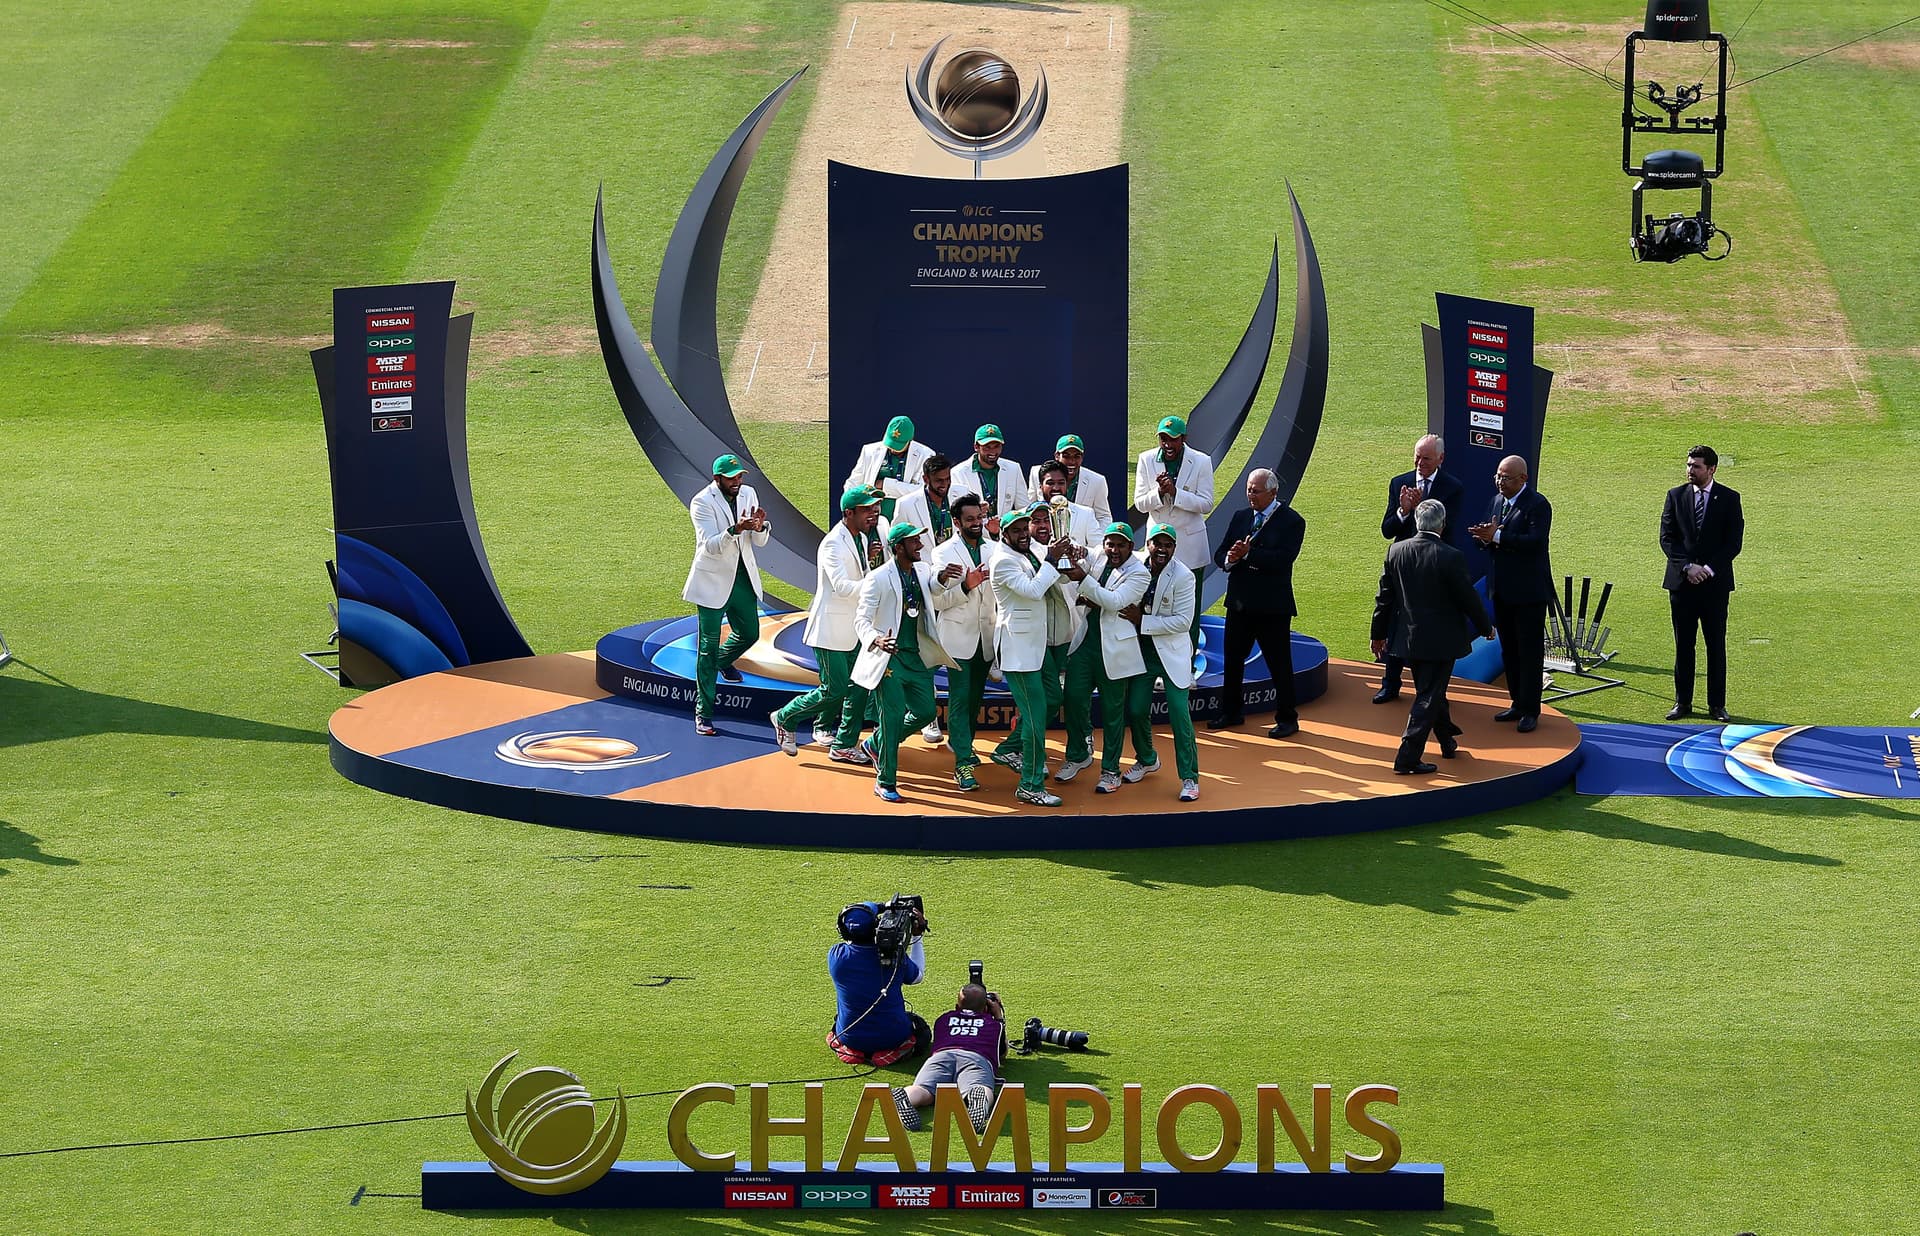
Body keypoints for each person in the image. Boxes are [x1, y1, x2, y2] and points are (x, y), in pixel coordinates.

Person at [1372, 499, 1494, 774]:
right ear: (1442, 524)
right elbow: (1468, 599)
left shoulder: (1395, 551)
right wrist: (1486, 627)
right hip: (1442, 640)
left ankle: (1447, 739)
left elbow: (1384, 599)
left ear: (1417, 522)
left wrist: (1377, 635)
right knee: (1428, 695)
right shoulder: (1450, 555)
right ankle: (1407, 757)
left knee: (1430, 689)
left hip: (1410, 639)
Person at [771, 486, 884, 763]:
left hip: (856, 628)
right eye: (867, 509)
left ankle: (845, 743)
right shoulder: (833, 544)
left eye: (874, 508)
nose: (874, 514)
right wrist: (880, 581)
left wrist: (869, 564)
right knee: (834, 690)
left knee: (860, 686)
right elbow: (843, 588)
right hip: (831, 630)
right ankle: (785, 717)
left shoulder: (859, 538)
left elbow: (858, 576)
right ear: (849, 513)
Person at [853, 524, 964, 803]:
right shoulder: (878, 579)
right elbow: (861, 620)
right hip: (889, 659)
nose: (920, 546)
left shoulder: (924, 569)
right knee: (890, 719)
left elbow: (933, 590)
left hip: (917, 658)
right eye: (914, 542)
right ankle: (885, 781)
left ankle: (875, 745)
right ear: (898, 547)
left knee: (926, 712)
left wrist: (941, 578)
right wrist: (876, 639)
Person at [987, 506, 1078, 806]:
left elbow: (1057, 581)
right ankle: (1030, 784)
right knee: (1036, 718)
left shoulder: (1028, 553)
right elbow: (1035, 589)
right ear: (1004, 534)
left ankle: (1009, 750)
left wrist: (1064, 560)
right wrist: (1051, 560)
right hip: (1019, 651)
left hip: (1037, 648)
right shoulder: (1002, 561)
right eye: (1017, 530)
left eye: (1025, 528)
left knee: (1052, 699)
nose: (1024, 534)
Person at [1210, 468, 1305, 738]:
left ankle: (1288, 718)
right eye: (1249, 489)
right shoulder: (1241, 517)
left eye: (1256, 490)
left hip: (1272, 607)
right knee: (1233, 660)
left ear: (1273, 492)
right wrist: (1230, 557)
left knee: (1279, 664)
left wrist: (1249, 554)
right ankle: (1231, 712)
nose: (1251, 494)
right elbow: (1221, 552)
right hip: (1240, 603)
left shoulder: (1292, 521)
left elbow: (1282, 560)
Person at [1375, 433, 1467, 703]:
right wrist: (1404, 511)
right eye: (1417, 456)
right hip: (1401, 567)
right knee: (1394, 620)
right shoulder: (1399, 483)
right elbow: (1387, 530)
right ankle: (1390, 684)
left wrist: (1419, 512)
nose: (1420, 462)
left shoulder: (1452, 488)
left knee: (1426, 626)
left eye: (1426, 458)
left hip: (1432, 569)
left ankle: (1430, 691)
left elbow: (1446, 530)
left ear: (1440, 458)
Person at [1063, 524, 1154, 795]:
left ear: (1130, 546)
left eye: (1120, 545)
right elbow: (1084, 556)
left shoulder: (1140, 573)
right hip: (1086, 644)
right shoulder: (1099, 556)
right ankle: (1079, 754)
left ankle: (1110, 771)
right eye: (1110, 544)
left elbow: (1115, 602)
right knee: (1073, 698)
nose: (1114, 550)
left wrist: (1085, 583)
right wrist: (1074, 551)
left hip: (1115, 650)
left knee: (1113, 714)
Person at [682, 453, 769, 735]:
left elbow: (759, 541)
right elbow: (710, 546)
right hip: (712, 580)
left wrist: (760, 526)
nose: (738, 482)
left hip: (742, 577)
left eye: (740, 476)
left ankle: (720, 663)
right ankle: (703, 713)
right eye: (732, 478)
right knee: (707, 647)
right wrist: (735, 529)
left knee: (750, 633)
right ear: (717, 478)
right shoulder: (702, 502)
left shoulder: (749, 493)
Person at [1469, 455, 1553, 733]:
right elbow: (1491, 538)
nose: (1499, 482)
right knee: (1510, 651)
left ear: (1523, 479)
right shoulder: (1496, 501)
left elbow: (1534, 543)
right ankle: (1517, 702)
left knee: (1529, 652)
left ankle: (1531, 709)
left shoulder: (1537, 505)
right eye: (1498, 476)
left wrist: (1496, 537)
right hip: (1502, 591)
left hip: (1528, 593)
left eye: (1506, 477)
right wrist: (1484, 538)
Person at [1660, 444, 1744, 722]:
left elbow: (1733, 543)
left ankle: (1716, 705)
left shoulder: (1730, 499)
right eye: (1688, 465)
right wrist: (1687, 567)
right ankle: (1682, 702)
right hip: (1682, 585)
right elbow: (1667, 538)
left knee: (1715, 645)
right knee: (1684, 645)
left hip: (1714, 586)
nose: (1690, 471)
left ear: (1711, 469)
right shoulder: (1675, 496)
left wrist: (1706, 569)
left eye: (1696, 466)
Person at [1123, 525, 1202, 801]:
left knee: (1179, 714)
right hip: (1142, 653)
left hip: (1171, 654)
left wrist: (1142, 621)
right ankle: (1146, 759)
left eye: (1168, 545)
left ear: (1175, 548)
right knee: (1135, 709)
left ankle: (1190, 778)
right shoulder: (1133, 565)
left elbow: (1183, 622)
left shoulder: (1184, 577)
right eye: (1158, 543)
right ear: (1148, 544)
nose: (1162, 550)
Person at [1132, 415, 1215, 660]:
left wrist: (1176, 493)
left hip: (1189, 546)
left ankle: (1186, 664)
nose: (1167, 444)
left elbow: (1206, 503)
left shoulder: (1200, 461)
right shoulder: (1147, 459)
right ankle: (1151, 662)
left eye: (1173, 440)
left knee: (1187, 609)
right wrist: (1159, 493)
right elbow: (1139, 503)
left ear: (1184, 439)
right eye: (1163, 439)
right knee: (1151, 604)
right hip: (1155, 546)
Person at [931, 495, 999, 790]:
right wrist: (966, 586)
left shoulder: (996, 549)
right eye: (969, 520)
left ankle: (966, 747)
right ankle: (962, 764)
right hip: (958, 637)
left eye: (978, 518)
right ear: (956, 522)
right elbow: (938, 600)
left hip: (986, 638)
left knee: (974, 700)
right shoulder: (942, 553)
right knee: (959, 701)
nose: (976, 524)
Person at [892, 454, 959, 746]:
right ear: (925, 479)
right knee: (925, 647)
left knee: (956, 640)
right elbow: (895, 544)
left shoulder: (959, 497)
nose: (944, 485)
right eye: (939, 481)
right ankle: (929, 716)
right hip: (921, 583)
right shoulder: (907, 505)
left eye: (947, 479)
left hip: (954, 580)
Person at [891, 984, 1008, 1134]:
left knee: (924, 1089)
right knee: (978, 1086)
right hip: (975, 1057)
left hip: (941, 1056)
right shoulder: (993, 1025)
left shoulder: (943, 1019)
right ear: (986, 1007)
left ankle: (907, 1097)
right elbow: (1002, 1053)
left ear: (957, 1006)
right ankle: (978, 1099)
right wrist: (998, 1017)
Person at [827, 900, 928, 1065]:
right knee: (921, 1030)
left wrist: (880, 908)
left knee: (839, 1018)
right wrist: (917, 935)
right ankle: (887, 1054)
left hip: (850, 1036)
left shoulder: (836, 956)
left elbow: (855, 935)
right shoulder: (895, 957)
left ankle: (854, 1051)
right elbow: (917, 977)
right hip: (892, 1038)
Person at [845, 415, 935, 522]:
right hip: (872, 518)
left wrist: (885, 485)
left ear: (910, 440)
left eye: (898, 446)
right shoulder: (869, 451)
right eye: (891, 443)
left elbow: (921, 491)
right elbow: (853, 483)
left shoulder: (925, 455)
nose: (893, 449)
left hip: (906, 519)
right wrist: (849, 505)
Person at [948, 423, 1028, 527]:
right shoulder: (958, 473)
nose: (993, 451)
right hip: (974, 535)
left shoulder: (1013, 468)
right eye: (987, 447)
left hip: (1004, 536)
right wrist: (975, 510)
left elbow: (1023, 507)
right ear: (976, 447)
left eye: (997, 446)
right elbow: (956, 512)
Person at [1025, 433, 1112, 524]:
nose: (1072, 461)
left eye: (1076, 456)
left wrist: (1096, 537)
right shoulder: (1037, 473)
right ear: (1057, 456)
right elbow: (1030, 507)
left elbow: (1103, 517)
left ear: (1082, 457)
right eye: (1066, 456)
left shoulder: (1097, 481)